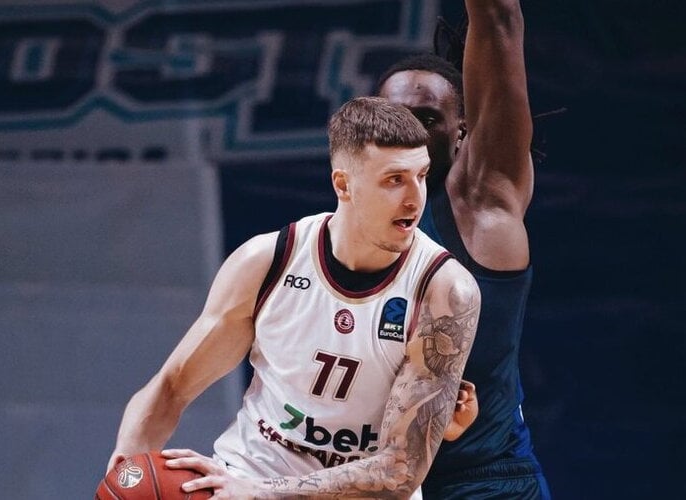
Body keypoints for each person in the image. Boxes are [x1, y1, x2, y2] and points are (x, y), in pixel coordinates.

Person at [107, 96, 481, 498]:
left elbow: (398, 472)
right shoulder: (268, 261)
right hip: (246, 475)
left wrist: (261, 493)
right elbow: (170, 388)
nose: (414, 198)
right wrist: (124, 475)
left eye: (421, 175)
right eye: (394, 180)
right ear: (343, 185)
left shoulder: (444, 291)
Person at [377, 0, 552, 498]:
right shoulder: (325, 239)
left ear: (463, 133)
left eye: (427, 118)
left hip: (481, 484)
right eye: (393, 117)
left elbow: (498, 18)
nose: (407, 131)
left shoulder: (480, 202)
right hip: (374, 481)